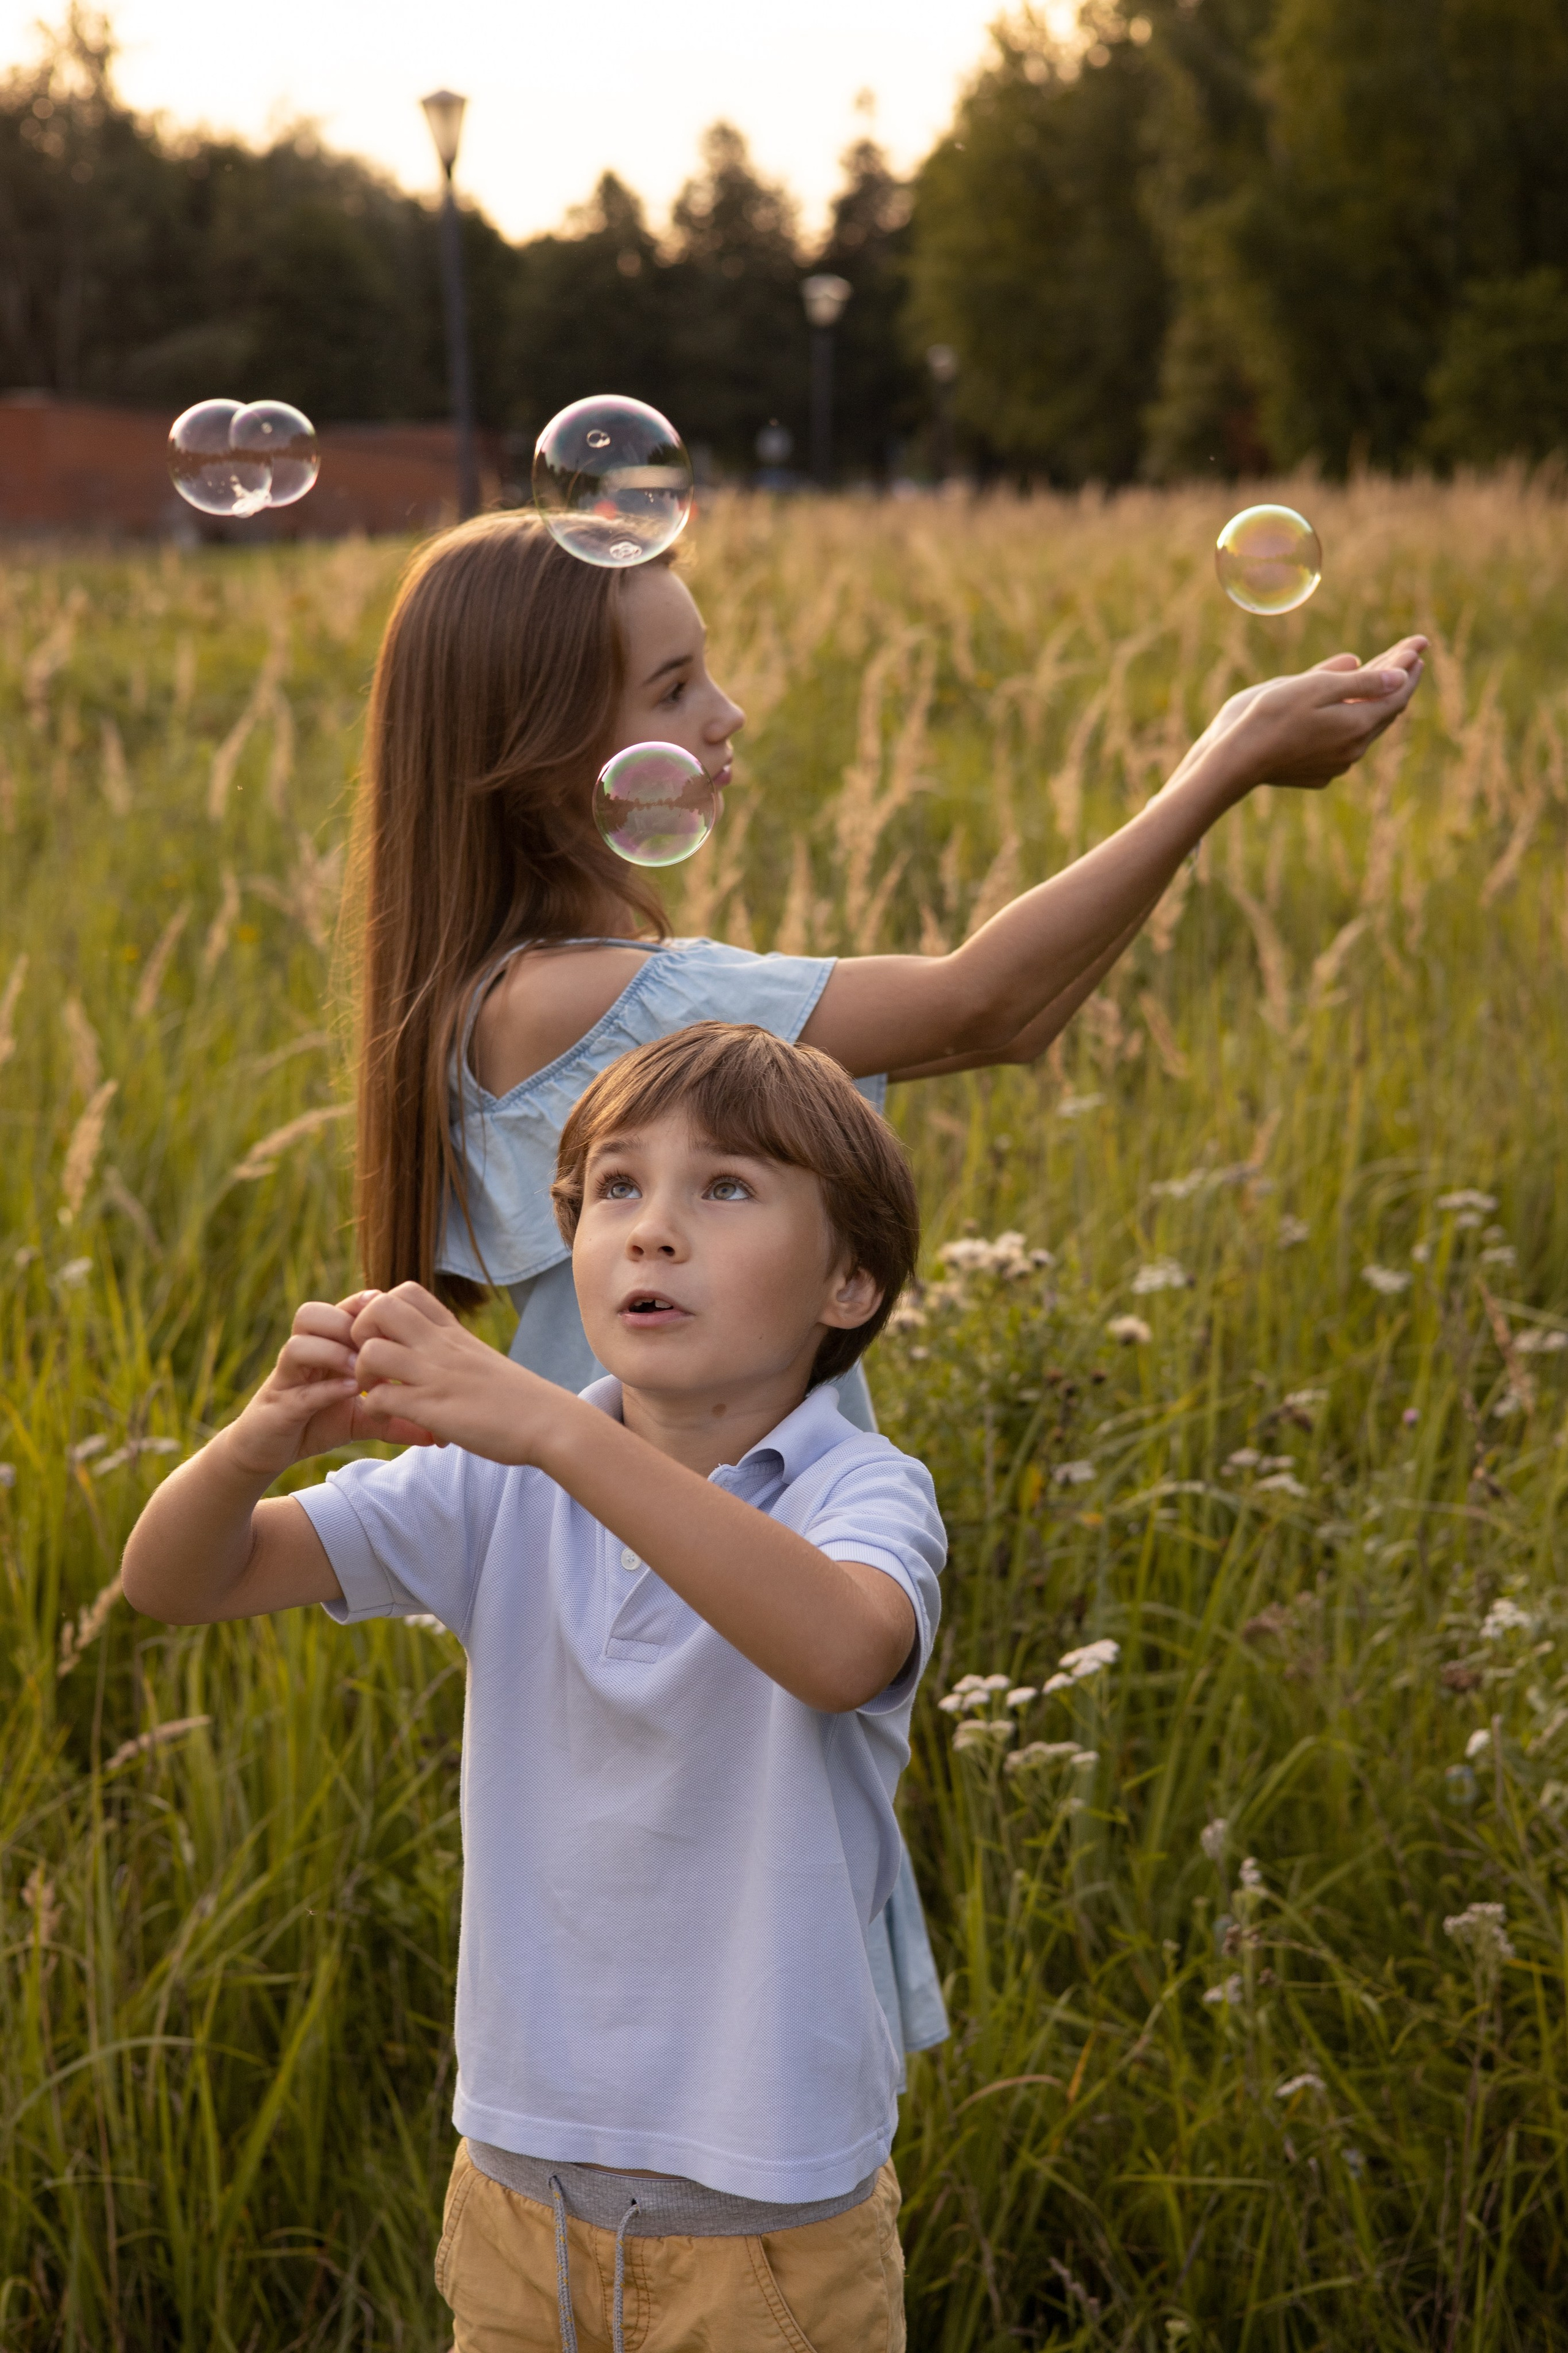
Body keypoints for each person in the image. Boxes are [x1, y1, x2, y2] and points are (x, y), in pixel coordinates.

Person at [346, 513, 1425, 2069]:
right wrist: (1224, 759)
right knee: (750, 2030)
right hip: (715, 1578)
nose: (722, 718)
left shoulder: (484, 994)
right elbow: (984, 999)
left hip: (669, 1584)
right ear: (537, 753)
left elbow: (1016, 1016)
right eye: (670, 688)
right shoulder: (583, 998)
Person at [123, 1023, 946, 2353]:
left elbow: (841, 1648)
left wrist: (550, 1424)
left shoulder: (859, 1491)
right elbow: (180, 1577)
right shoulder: (499, 1485)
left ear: (848, 1281)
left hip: (770, 2221)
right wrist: (255, 1441)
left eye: (724, 1187)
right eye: (614, 1187)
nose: (652, 1230)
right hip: (516, 2187)